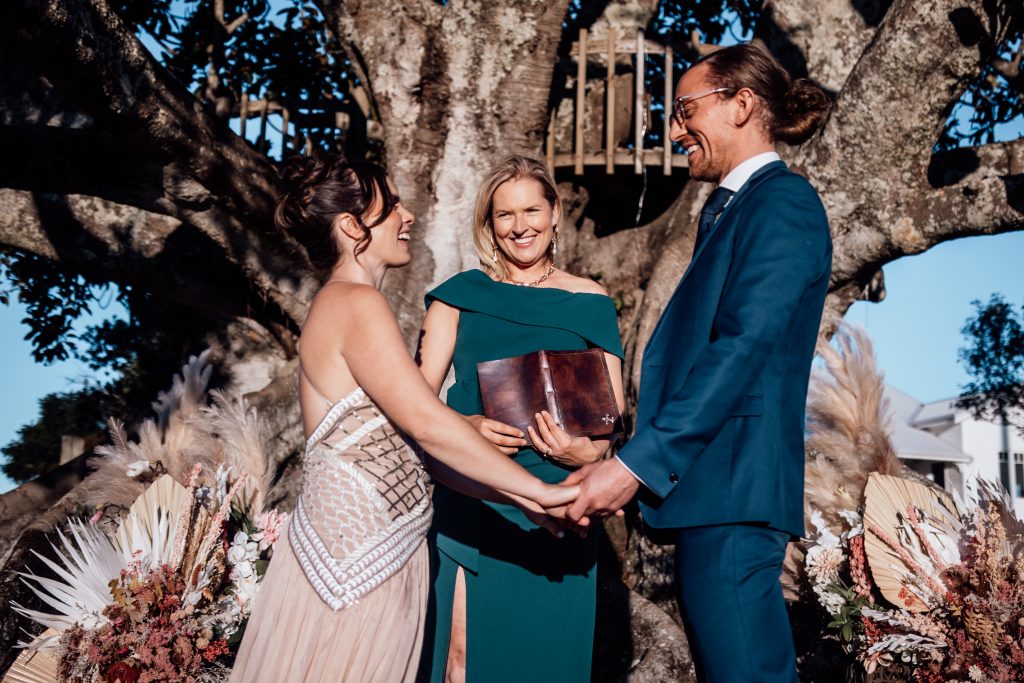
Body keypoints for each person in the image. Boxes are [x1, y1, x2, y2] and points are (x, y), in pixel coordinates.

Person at [229, 152, 577, 683]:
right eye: (390, 205)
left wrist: (527, 499)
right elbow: (428, 425)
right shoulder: (353, 302)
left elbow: (419, 456)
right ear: (352, 226)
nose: (406, 214)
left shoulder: (351, 303)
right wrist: (547, 492)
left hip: (381, 563)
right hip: (351, 570)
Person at [565, 43, 833, 682]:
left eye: (686, 109)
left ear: (742, 104)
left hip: (733, 494)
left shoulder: (782, 203)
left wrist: (636, 466)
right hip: (715, 492)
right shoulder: (736, 208)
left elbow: (740, 350)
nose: (675, 128)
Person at [416, 155, 625, 683]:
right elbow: (411, 404)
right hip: (472, 500)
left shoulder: (593, 302)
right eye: (504, 215)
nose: (520, 226)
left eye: (532, 210)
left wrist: (579, 455)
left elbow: (608, 425)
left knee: (546, 667)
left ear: (555, 214)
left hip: (562, 511)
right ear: (489, 224)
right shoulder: (457, 296)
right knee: (460, 664)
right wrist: (464, 427)